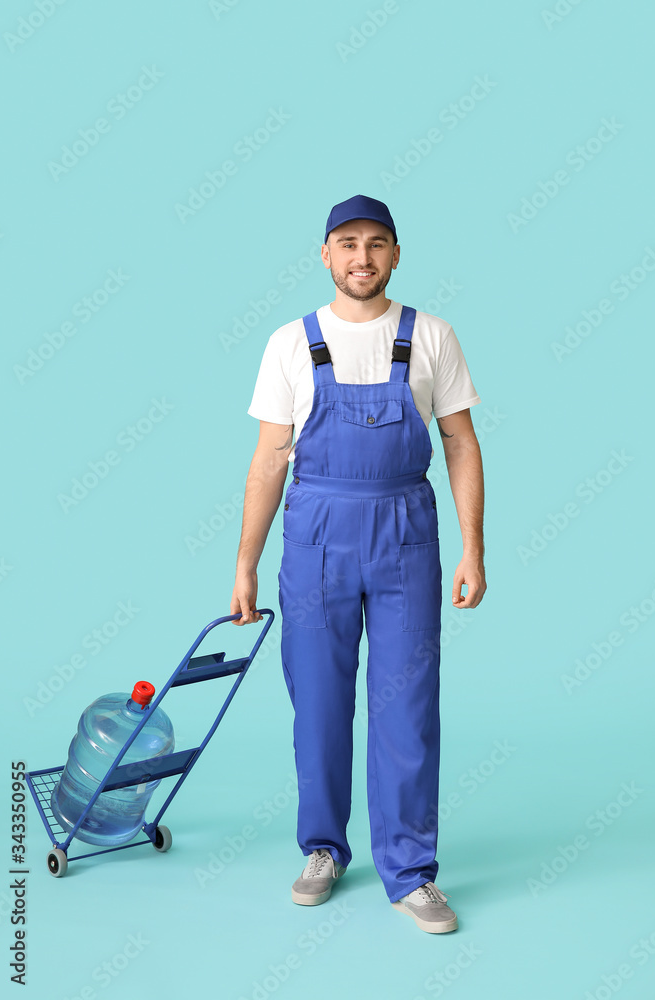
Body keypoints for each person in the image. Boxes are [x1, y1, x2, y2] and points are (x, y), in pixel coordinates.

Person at [231, 194, 486, 934]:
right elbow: (267, 462)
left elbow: (461, 446)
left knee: (407, 707)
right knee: (317, 704)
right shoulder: (290, 343)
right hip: (315, 536)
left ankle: (410, 871)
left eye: (376, 244)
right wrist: (245, 564)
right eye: (346, 244)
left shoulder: (430, 336)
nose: (361, 257)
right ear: (324, 255)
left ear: (396, 254)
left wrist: (474, 548)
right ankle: (323, 848)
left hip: (404, 532)